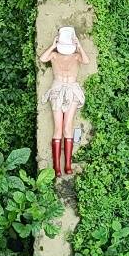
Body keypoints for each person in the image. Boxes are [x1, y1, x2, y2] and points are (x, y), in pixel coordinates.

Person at [39, 24, 88, 178]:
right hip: (57, 89)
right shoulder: (54, 55)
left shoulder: (76, 56)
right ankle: (56, 167)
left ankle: (67, 164)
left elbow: (86, 60)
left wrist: (79, 45)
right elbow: (42, 58)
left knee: (68, 127)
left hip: (72, 90)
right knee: (58, 128)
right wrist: (53, 45)